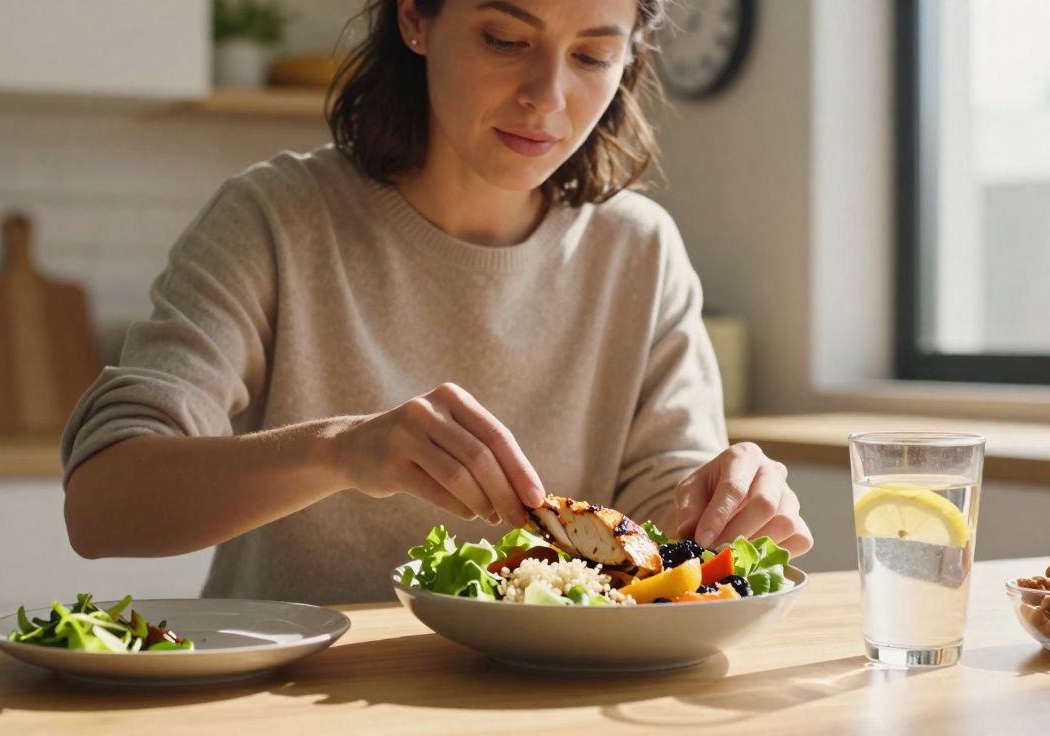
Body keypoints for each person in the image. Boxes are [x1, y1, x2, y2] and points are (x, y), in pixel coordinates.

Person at [61, 0, 813, 605]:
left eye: (592, 56)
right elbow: (100, 504)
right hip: (290, 701)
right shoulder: (275, 219)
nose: (548, 97)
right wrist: (340, 451)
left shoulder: (640, 250)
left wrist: (727, 501)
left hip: (549, 707)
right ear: (414, 19)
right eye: (505, 38)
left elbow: (669, 527)